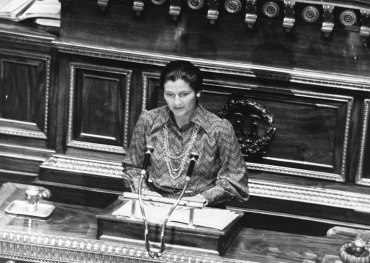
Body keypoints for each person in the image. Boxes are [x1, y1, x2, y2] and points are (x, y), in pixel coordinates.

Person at [122, 60, 249, 206]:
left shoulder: (219, 129)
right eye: (169, 94)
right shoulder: (148, 121)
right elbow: (132, 168)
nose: (176, 102)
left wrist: (202, 198)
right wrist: (144, 191)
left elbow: (235, 180)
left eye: (184, 94)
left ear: (198, 92)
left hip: (201, 208)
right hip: (155, 203)